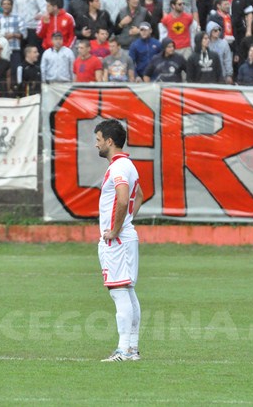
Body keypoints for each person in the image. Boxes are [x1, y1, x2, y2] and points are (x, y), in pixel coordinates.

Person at [94, 119, 144, 362]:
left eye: (98, 140)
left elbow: (124, 199)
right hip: (125, 237)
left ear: (109, 141)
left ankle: (124, 350)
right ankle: (131, 349)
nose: (96, 145)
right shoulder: (126, 164)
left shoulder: (118, 167)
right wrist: (128, 222)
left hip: (118, 240)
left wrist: (116, 229)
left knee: (119, 292)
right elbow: (140, 195)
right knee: (127, 292)